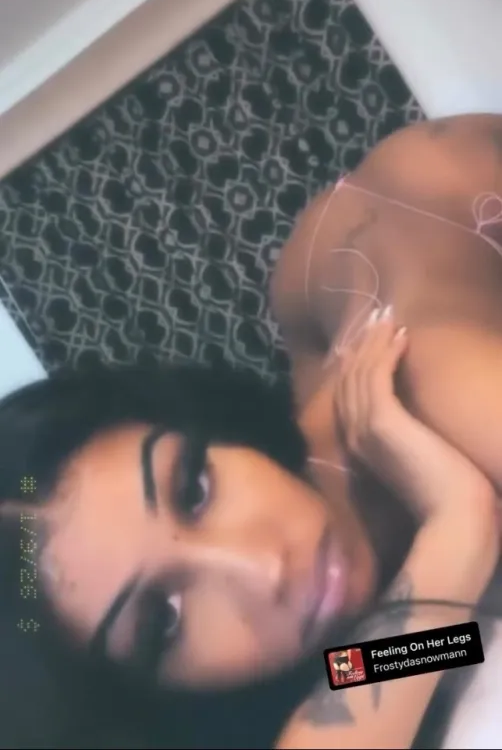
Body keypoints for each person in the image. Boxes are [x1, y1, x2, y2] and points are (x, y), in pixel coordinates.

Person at [0, 112, 501, 748]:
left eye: (195, 488)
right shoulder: (327, 663)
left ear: (202, 423)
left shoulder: (445, 394)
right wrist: (459, 527)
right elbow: (440, 646)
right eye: (163, 622)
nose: (263, 568)